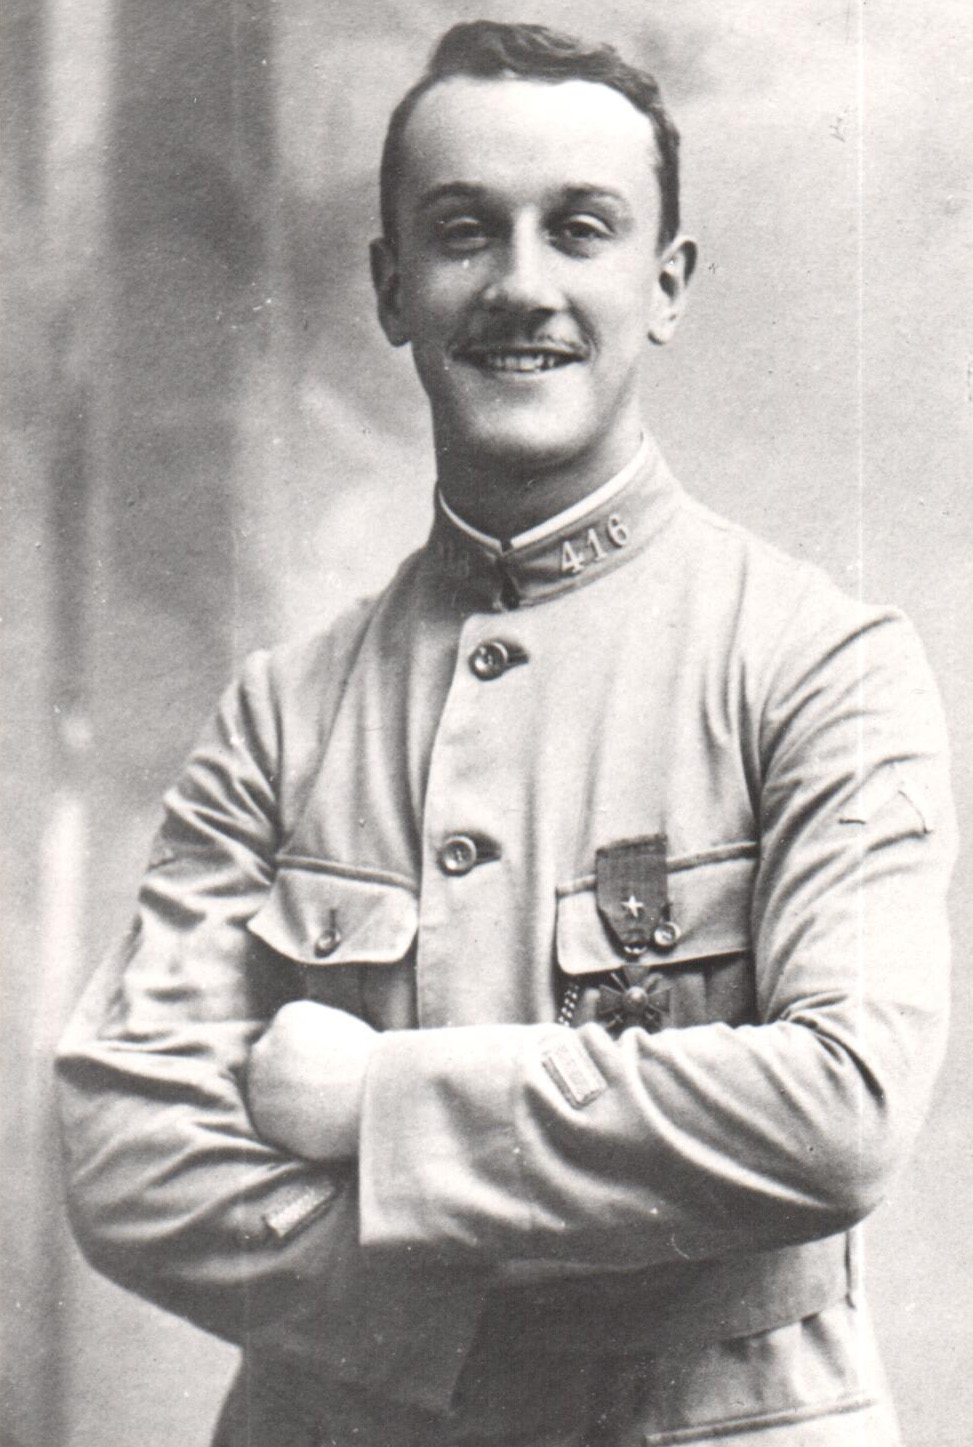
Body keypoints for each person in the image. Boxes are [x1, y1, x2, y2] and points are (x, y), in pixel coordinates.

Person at [56, 20, 955, 1447]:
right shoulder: (284, 715)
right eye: (464, 231)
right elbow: (127, 1153)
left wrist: (381, 1104)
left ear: (664, 284)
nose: (520, 285)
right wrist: (486, 1311)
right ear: (391, 286)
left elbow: (840, 1111)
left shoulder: (820, 668)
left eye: (580, 230)